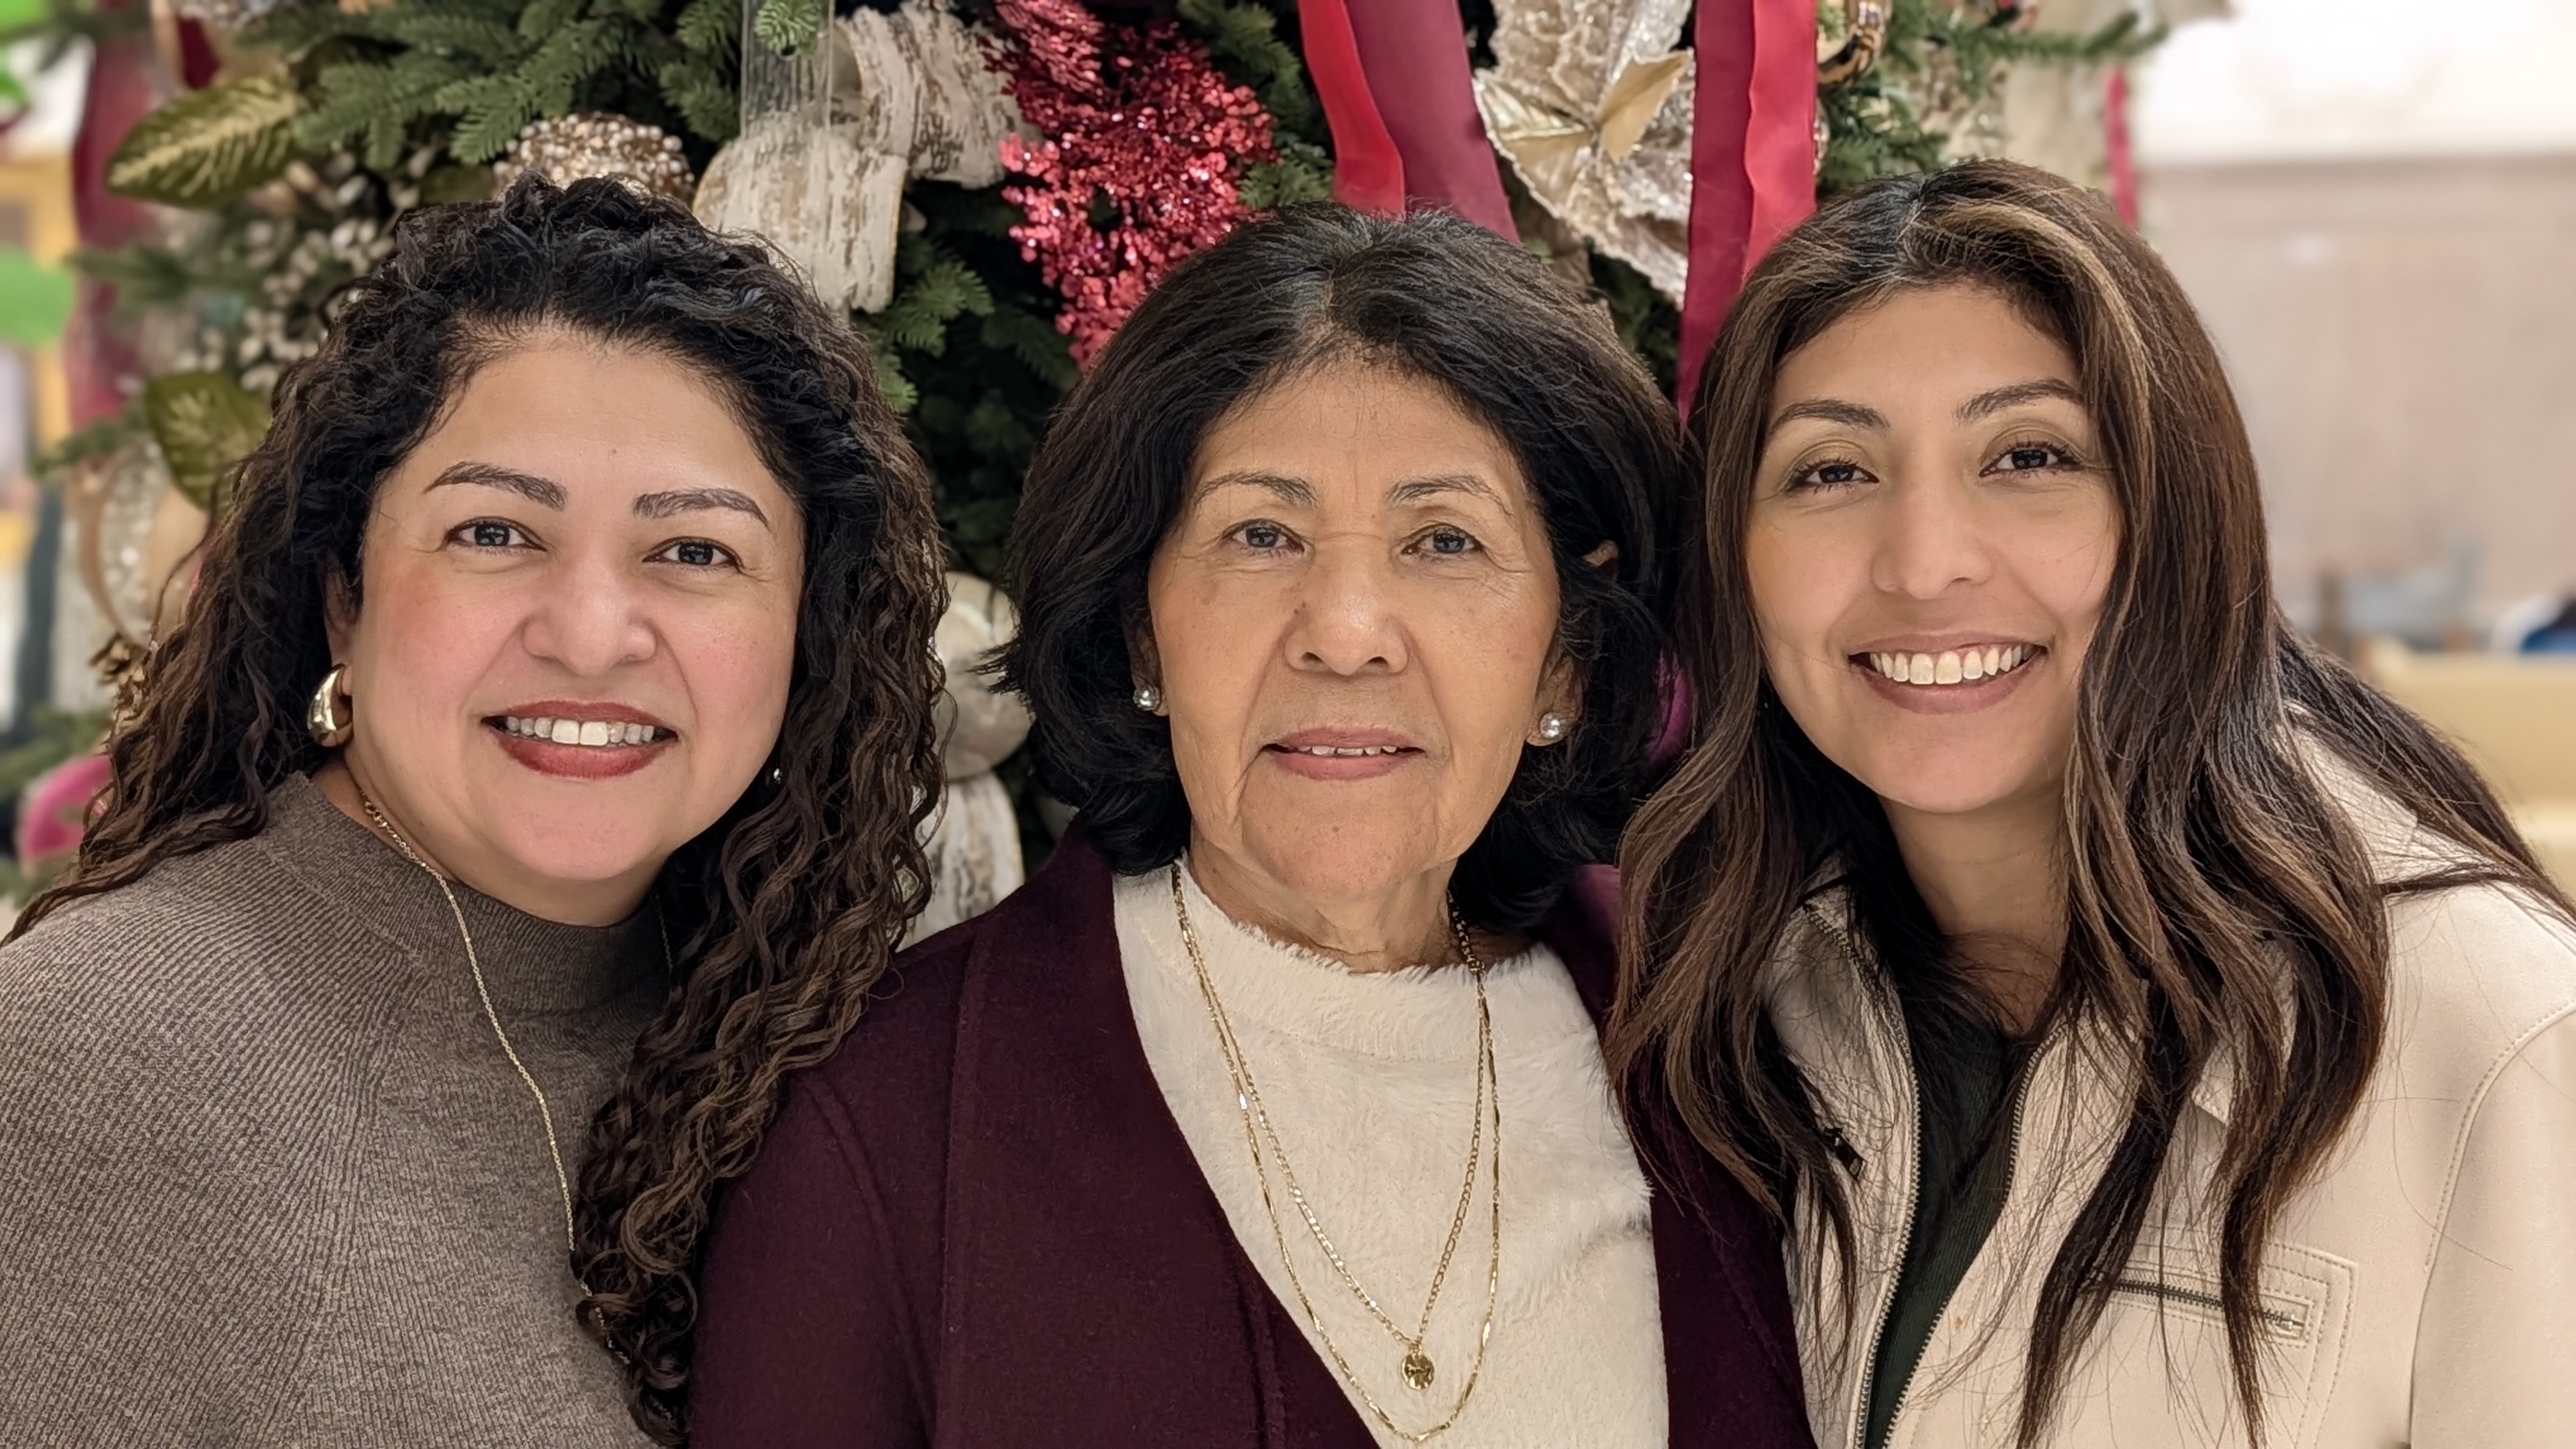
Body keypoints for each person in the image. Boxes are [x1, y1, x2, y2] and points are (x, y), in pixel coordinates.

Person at [688, 206, 1814, 1448]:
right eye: (1261, 535)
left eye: (1444, 540)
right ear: (1141, 633)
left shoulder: (1744, 1055)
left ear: (1568, 658)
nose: (1346, 631)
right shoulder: (878, 1124)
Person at [1616, 159, 2576, 1449]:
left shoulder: (2491, 1039)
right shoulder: (1745, 995)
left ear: (2172, 512)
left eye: (2028, 456)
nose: (1925, 564)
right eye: (1832, 471)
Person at [0, 175, 947, 1445]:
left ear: (804, 637)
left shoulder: (789, 1028)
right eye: (495, 533)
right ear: (345, 599)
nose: (593, 635)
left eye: (695, 552)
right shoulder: (105, 1052)